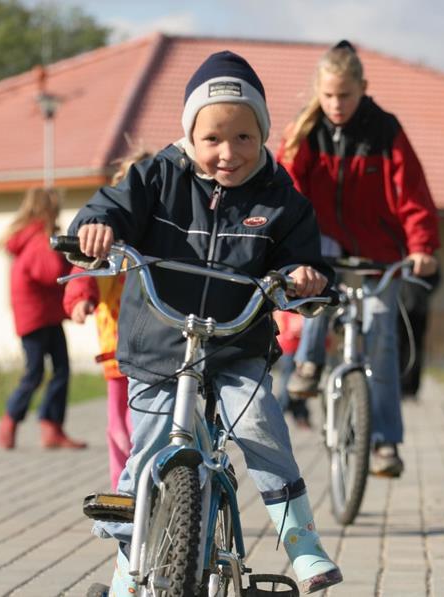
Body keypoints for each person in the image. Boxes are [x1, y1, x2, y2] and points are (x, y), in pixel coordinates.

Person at [68, 51, 343, 595]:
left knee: (260, 423)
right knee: (145, 452)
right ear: (190, 133)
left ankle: (301, 542)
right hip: (160, 346)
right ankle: (127, 567)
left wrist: (303, 278)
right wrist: (95, 228)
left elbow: (301, 260)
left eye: (244, 137)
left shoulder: (279, 197)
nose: (228, 152)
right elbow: (108, 210)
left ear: (262, 135)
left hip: (237, 345)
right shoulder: (156, 177)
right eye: (213, 137)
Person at [276, 40, 440, 478]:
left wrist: (421, 246)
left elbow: (414, 194)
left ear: (363, 88)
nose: (335, 105)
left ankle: (385, 443)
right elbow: (284, 186)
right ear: (318, 91)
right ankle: (308, 364)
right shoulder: (306, 131)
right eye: (328, 95)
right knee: (316, 285)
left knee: (383, 339)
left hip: (379, 251)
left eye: (344, 95)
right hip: (325, 240)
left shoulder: (385, 130)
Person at [63, 149, 152, 489]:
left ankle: (161, 487)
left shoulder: (162, 234)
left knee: (148, 422)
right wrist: (80, 298)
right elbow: (82, 268)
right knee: (119, 428)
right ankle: (124, 491)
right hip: (116, 345)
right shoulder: (108, 233)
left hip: (159, 344)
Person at [0, 187, 87, 450]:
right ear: (48, 209)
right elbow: (52, 272)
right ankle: (11, 418)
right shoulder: (38, 238)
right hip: (36, 318)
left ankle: (51, 427)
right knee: (35, 373)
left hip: (43, 315)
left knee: (60, 370)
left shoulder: (31, 236)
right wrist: (71, 256)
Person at [398, 265, 441, 399]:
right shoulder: (399, 253)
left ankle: (412, 388)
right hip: (399, 310)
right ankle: (399, 386)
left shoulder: (425, 256)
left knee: (416, 349)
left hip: (418, 310)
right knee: (398, 347)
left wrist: (423, 293)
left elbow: (436, 277)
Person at [273, 310, 312, 429]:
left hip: (302, 349)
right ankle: (278, 414)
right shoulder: (283, 308)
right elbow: (280, 326)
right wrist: (292, 331)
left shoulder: (305, 307)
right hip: (288, 348)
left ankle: (301, 415)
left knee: (302, 384)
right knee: (287, 382)